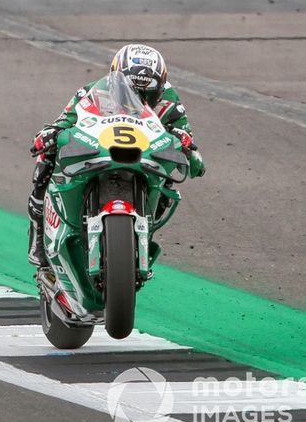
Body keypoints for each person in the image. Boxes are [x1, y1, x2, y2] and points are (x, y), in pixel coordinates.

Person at [26, 44, 206, 267]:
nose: (141, 99)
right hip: (101, 147)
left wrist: (185, 143)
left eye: (149, 94)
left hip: (145, 153)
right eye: (132, 91)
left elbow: (184, 134)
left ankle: (141, 230)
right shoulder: (91, 92)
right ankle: (38, 232)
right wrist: (49, 134)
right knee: (46, 157)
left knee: (170, 171)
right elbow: (64, 121)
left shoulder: (169, 99)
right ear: (115, 79)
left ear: (160, 87)